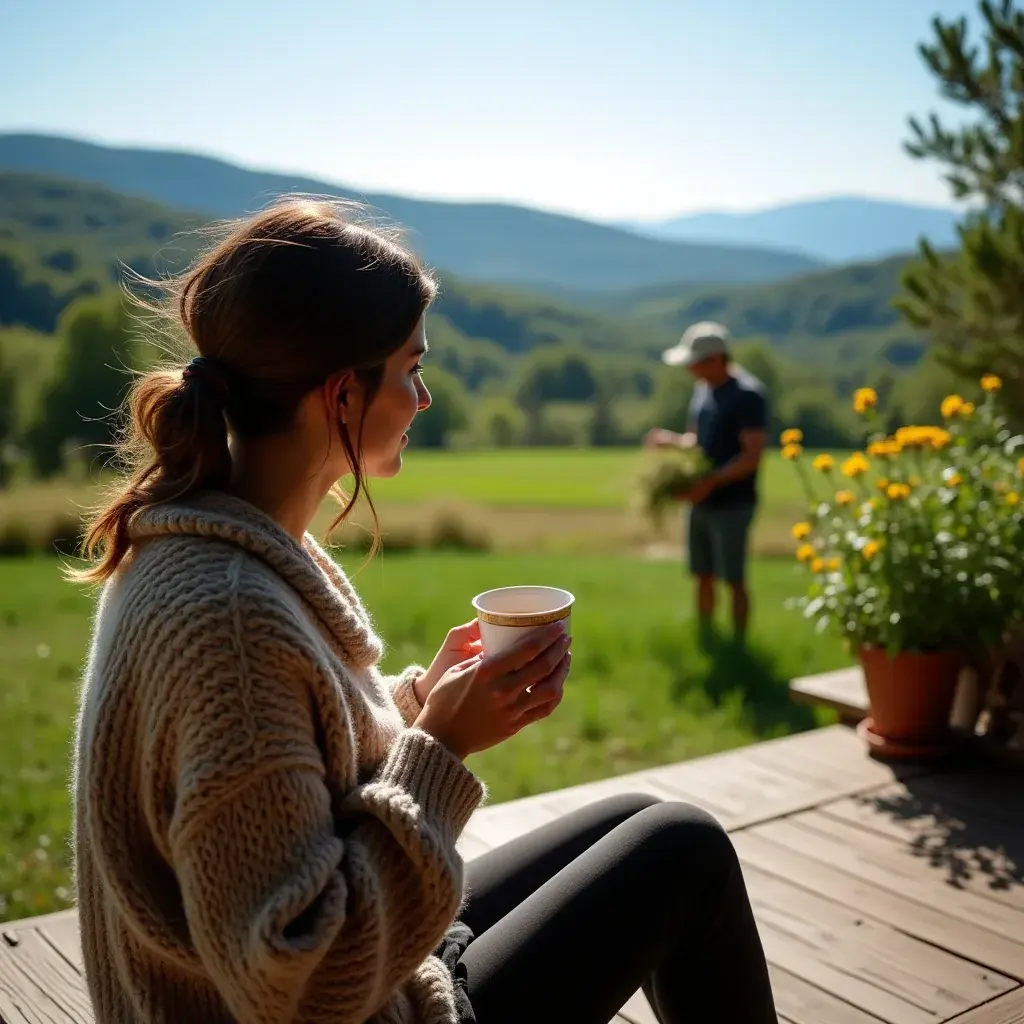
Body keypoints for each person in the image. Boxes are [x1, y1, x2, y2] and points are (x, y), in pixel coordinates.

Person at [72, 201, 777, 1024]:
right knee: (682, 852)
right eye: (410, 368)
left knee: (642, 819)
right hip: (354, 1002)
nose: (426, 396)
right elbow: (303, 984)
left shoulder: (225, 536)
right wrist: (441, 745)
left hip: (376, 969)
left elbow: (290, 777)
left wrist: (412, 706)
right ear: (340, 395)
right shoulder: (228, 618)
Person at [646, 321, 768, 641]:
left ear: (715, 359)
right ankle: (707, 637)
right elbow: (697, 442)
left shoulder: (748, 396)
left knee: (734, 579)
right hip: (701, 500)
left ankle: (739, 643)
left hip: (733, 504)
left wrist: (711, 482)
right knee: (702, 575)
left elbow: (751, 455)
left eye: (694, 363)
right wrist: (670, 440)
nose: (689, 370)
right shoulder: (703, 391)